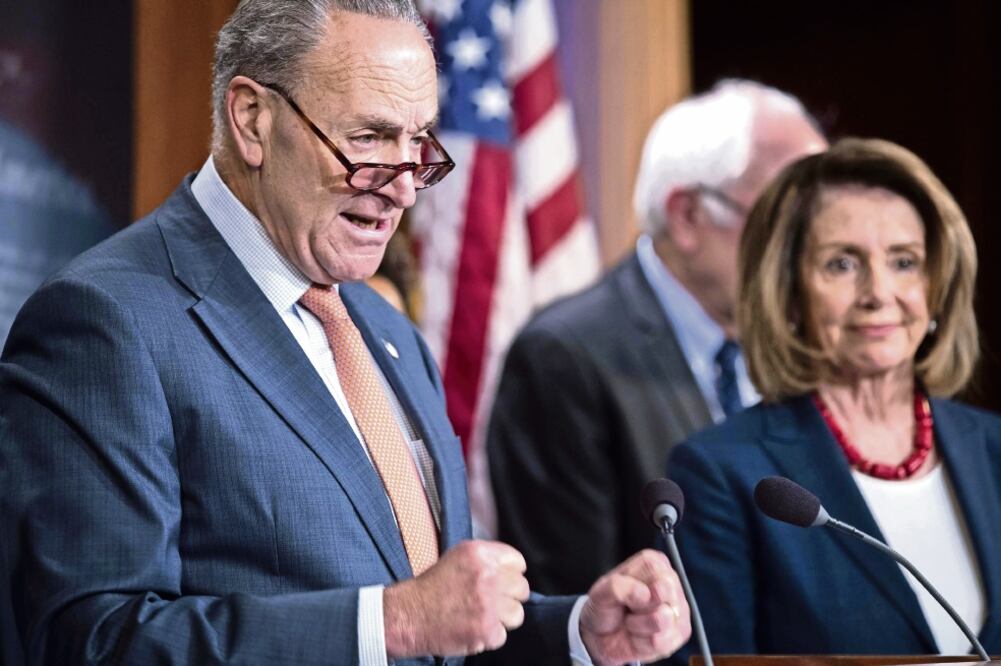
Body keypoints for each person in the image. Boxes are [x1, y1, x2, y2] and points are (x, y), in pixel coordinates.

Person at [0, 1, 692, 664]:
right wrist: (394, 620)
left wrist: (575, 631)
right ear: (252, 120)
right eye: (368, 138)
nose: (402, 186)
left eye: (417, 142)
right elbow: (93, 640)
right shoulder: (106, 323)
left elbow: (438, 624)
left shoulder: (385, 330)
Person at [487, 80, 827, 595]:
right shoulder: (564, 357)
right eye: (787, 220)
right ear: (688, 216)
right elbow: (578, 607)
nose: (810, 251)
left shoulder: (807, 344)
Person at [667, 137, 1001, 661]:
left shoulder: (995, 447)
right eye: (842, 264)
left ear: (936, 285)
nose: (879, 293)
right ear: (789, 293)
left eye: (904, 262)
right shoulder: (723, 474)